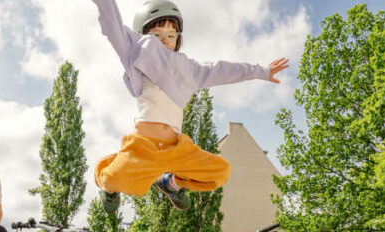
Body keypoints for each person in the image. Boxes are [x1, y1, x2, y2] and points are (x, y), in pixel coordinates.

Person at [91, 0, 289, 214]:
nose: (165, 40)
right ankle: (109, 189)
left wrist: (261, 71)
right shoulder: (136, 50)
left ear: (178, 39)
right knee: (111, 178)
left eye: (171, 35)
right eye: (157, 35)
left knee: (221, 171)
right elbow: (112, 25)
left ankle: (170, 184)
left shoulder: (189, 69)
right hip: (144, 147)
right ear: (145, 35)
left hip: (177, 148)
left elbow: (222, 70)